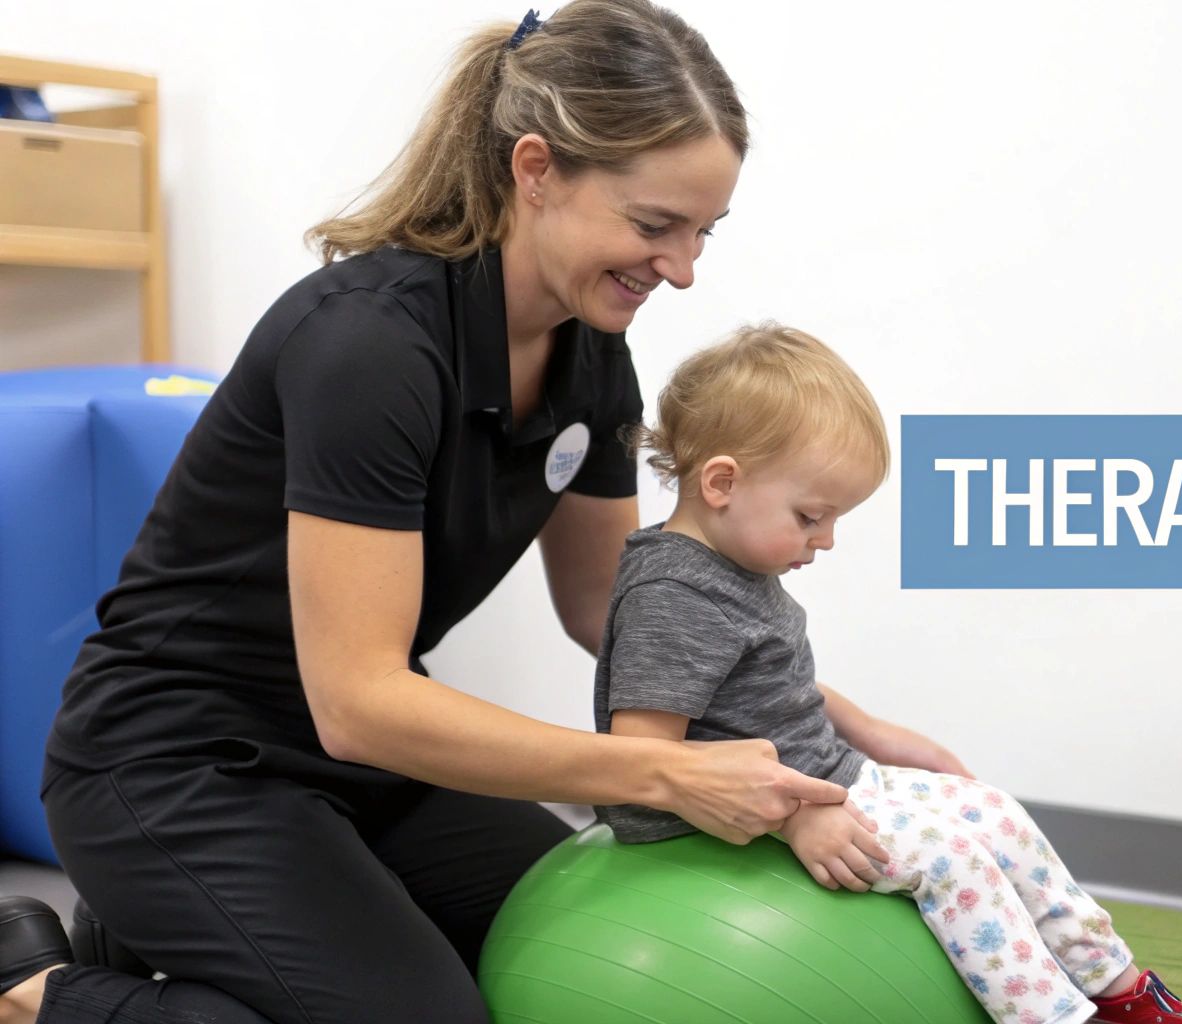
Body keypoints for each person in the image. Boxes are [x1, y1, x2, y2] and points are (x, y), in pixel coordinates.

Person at [0, 5, 964, 1023]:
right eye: (652, 225)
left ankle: (160, 934)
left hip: (363, 768)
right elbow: (359, 698)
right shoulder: (370, 345)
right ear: (537, 169)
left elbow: (611, 607)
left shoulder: (595, 361)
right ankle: (38, 987)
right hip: (174, 765)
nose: (680, 269)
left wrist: (836, 724)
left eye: (701, 232)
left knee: (574, 935)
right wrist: (666, 773)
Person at [595, 323, 1182, 1024]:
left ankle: (1119, 985)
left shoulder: (736, 562)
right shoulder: (676, 594)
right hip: (734, 819)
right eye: (812, 517)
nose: (825, 540)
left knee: (995, 814)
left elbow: (755, 682)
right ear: (723, 482)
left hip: (824, 777)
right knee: (952, 860)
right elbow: (644, 760)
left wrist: (875, 733)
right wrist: (793, 822)